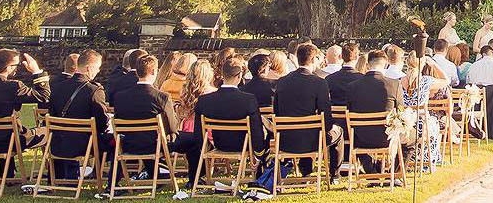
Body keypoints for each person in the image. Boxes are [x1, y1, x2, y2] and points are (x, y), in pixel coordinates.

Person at [174, 57, 264, 191]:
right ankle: (257, 178)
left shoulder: (205, 100)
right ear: (239, 76)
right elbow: (256, 131)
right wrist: (257, 154)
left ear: (222, 75)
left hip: (218, 144)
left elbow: (199, 133)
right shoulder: (248, 100)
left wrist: (206, 148)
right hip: (243, 146)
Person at [0, 49, 50, 178]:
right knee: (48, 130)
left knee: (5, 129)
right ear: (9, 67)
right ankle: (53, 174)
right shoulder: (13, 86)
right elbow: (44, 96)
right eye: (16, 66)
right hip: (11, 142)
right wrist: (36, 72)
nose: (17, 69)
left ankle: (8, 175)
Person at [273, 43, 339, 181]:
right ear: (314, 60)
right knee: (338, 131)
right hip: (312, 141)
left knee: (309, 128)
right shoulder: (319, 83)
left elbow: (277, 112)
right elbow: (326, 118)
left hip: (285, 139)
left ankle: (306, 169)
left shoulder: (282, 82)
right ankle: (335, 174)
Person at [49, 50, 110, 183]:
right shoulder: (94, 90)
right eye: (98, 67)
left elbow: (52, 114)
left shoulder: (57, 88)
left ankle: (61, 178)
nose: (98, 71)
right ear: (88, 68)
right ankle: (111, 182)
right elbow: (102, 123)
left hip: (57, 143)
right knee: (115, 143)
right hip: (84, 145)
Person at [345, 50, 403, 174]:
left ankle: (372, 172)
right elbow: (401, 111)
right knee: (412, 138)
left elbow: (349, 111)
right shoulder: (394, 84)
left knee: (355, 136)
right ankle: (394, 174)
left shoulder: (352, 86)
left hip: (361, 137)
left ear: (367, 64)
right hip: (387, 137)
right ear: (386, 64)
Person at [112, 55, 178, 162]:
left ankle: (154, 171)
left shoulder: (120, 96)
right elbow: (172, 127)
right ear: (153, 71)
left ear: (137, 72)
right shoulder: (161, 97)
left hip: (128, 144)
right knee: (192, 142)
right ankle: (195, 177)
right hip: (155, 145)